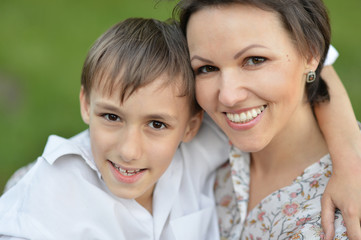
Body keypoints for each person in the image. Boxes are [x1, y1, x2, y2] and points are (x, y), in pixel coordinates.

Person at [0, 18, 230, 239]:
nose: (129, 151)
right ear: (86, 104)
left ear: (191, 127)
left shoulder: (202, 152)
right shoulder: (52, 190)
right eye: (112, 117)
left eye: (156, 124)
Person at [175, 0, 361, 239]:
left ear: (312, 53)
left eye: (254, 60)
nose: (229, 96)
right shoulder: (196, 140)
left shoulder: (347, 213)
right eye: (207, 68)